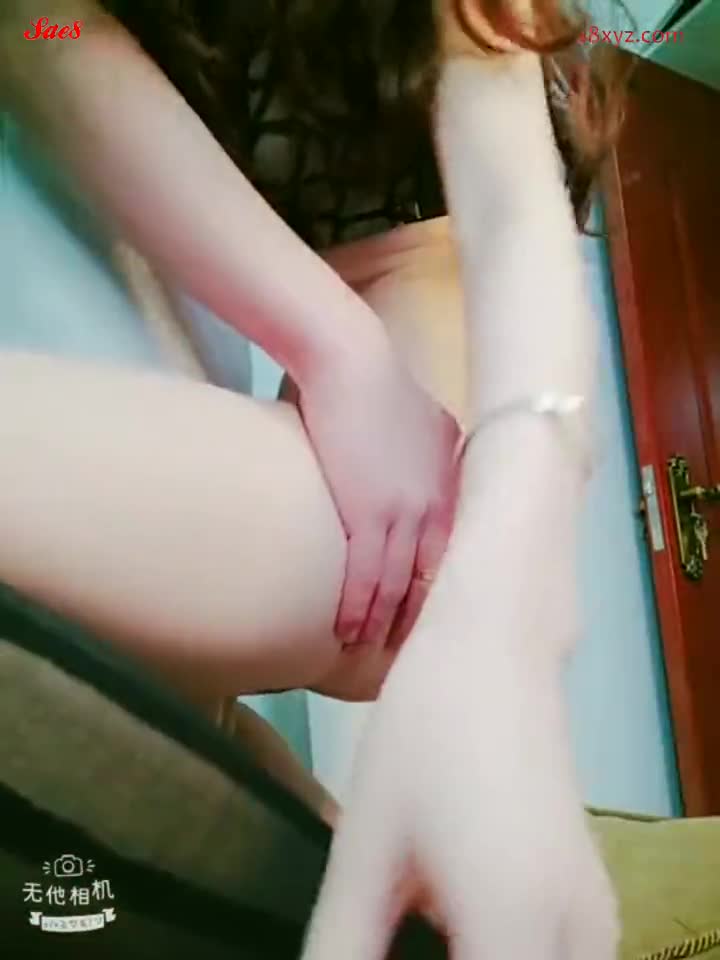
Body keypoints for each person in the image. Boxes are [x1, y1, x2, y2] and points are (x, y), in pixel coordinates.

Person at [0, 0, 638, 955]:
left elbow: (513, 201)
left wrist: (513, 625)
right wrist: (339, 348)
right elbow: (39, 27)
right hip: (137, 176)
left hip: (418, 245)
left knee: (392, 578)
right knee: (298, 603)